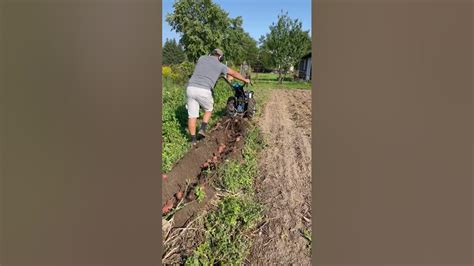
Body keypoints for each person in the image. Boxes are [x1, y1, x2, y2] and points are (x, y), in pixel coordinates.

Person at [186, 48, 250, 145]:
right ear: (220, 57)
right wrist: (245, 80)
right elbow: (234, 73)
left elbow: (206, 69)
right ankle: (202, 129)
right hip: (204, 89)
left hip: (190, 88)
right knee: (208, 109)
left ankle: (193, 141)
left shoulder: (202, 58)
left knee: (192, 115)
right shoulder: (221, 66)